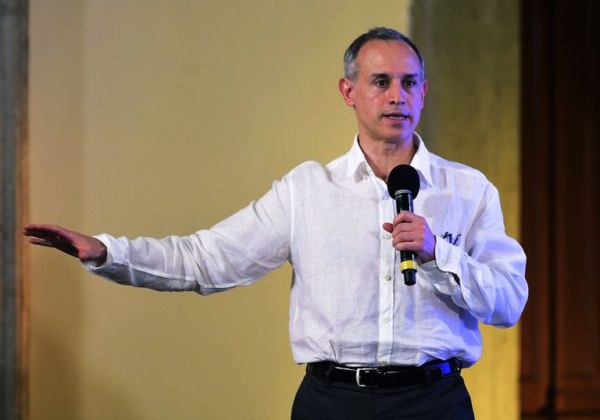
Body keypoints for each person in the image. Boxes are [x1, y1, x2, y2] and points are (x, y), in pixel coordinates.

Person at [24, 27, 528, 419]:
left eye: (409, 82)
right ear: (348, 91)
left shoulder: (469, 190)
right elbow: (206, 260)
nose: (397, 95)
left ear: (423, 91)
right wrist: (107, 252)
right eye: (381, 82)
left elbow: (509, 301)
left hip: (433, 404)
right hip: (333, 403)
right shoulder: (307, 190)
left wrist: (439, 253)